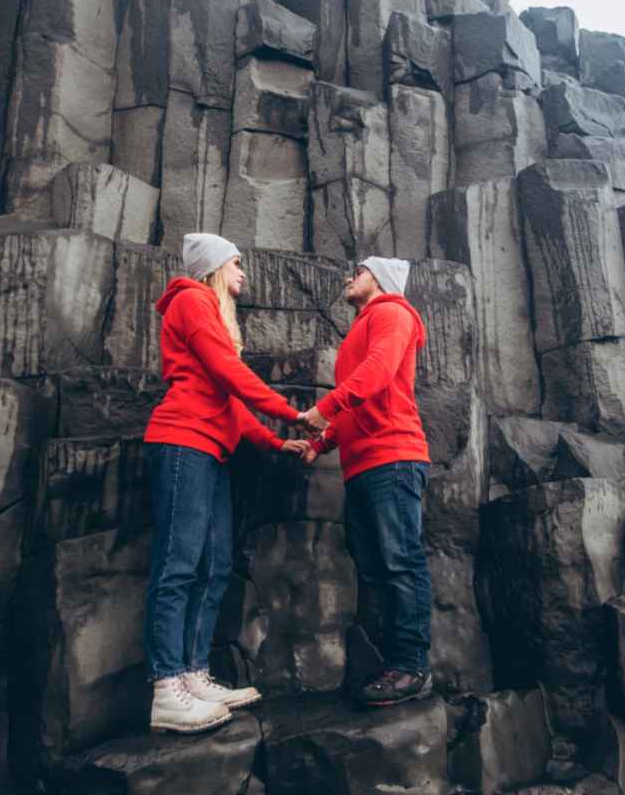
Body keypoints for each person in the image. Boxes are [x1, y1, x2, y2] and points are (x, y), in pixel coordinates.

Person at [143, 233, 312, 734]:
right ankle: (166, 687)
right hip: (181, 443)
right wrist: (291, 414)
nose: (243, 272)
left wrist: (275, 442)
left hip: (210, 450)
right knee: (177, 565)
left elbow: (232, 404)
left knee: (213, 565)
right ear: (214, 266)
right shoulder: (193, 300)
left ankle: (193, 673)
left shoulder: (212, 313)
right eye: (236, 263)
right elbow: (230, 375)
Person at [300, 256, 434, 707]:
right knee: (377, 568)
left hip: (393, 457)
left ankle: (413, 667)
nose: (348, 277)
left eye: (357, 271)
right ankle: (393, 665)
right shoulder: (361, 327)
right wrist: (320, 444)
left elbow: (375, 376)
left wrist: (325, 407)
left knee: (400, 563)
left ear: (378, 279)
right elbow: (359, 404)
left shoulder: (393, 313)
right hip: (364, 466)